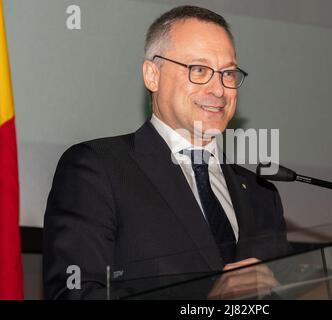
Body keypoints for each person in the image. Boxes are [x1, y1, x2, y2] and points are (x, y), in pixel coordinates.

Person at [43, 5, 290, 300]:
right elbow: (75, 295)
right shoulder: (97, 169)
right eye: (199, 70)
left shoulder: (262, 195)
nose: (219, 89)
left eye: (227, 73)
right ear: (152, 75)